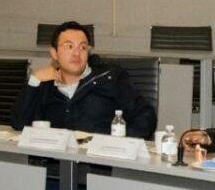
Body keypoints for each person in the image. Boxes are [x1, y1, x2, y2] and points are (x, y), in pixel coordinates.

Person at [11, 21, 156, 138]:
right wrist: (34, 81)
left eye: (83, 47)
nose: (76, 53)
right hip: (55, 161)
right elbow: (19, 124)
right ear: (54, 53)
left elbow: (145, 118)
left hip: (98, 161)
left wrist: (116, 143)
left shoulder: (110, 78)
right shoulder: (45, 84)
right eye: (69, 46)